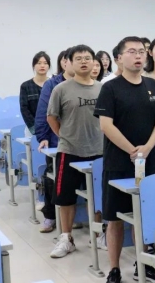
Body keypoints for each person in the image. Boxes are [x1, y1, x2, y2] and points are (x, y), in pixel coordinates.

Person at [94, 37, 155, 283]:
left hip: (148, 161)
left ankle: (141, 262)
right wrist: (132, 150)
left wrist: (147, 147)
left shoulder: (152, 85)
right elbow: (106, 125)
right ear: (119, 58)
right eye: (132, 52)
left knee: (142, 215)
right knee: (115, 218)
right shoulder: (110, 88)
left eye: (142, 52)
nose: (138, 56)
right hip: (118, 162)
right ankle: (114, 269)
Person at [47, 45, 103, 258]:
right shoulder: (61, 89)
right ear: (69, 62)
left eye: (87, 58)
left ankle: (98, 234)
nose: (83, 61)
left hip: (98, 149)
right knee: (65, 196)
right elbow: (51, 117)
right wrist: (64, 135)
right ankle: (66, 238)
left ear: (94, 62)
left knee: (97, 195)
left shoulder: (102, 89)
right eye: (78, 58)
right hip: (69, 150)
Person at [35, 47, 74, 233]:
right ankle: (50, 215)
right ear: (63, 63)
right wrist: (43, 137)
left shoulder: (89, 83)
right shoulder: (52, 85)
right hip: (56, 139)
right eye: (66, 60)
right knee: (52, 176)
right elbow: (44, 112)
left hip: (82, 142)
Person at [20, 51, 50, 135]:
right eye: (39, 63)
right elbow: (24, 109)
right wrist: (35, 128)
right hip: (33, 129)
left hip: (52, 128)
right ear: (34, 65)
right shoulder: (26, 86)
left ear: (49, 66)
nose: (42, 66)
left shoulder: (54, 84)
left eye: (45, 63)